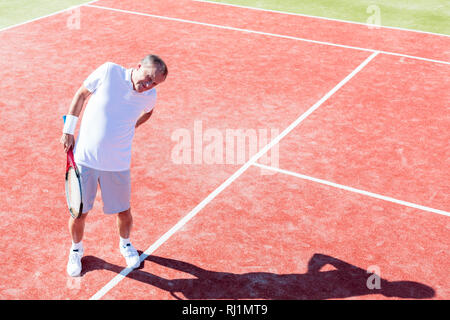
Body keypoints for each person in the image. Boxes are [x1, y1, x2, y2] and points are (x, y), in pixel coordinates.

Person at [60, 54, 168, 277]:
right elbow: (81, 94)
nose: (148, 85)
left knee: (123, 211)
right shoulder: (109, 72)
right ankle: (76, 250)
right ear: (138, 66)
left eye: (154, 83)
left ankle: (126, 244)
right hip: (85, 160)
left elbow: (149, 113)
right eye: (148, 78)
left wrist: (131, 126)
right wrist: (68, 129)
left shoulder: (150, 95)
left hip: (117, 163)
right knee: (79, 212)